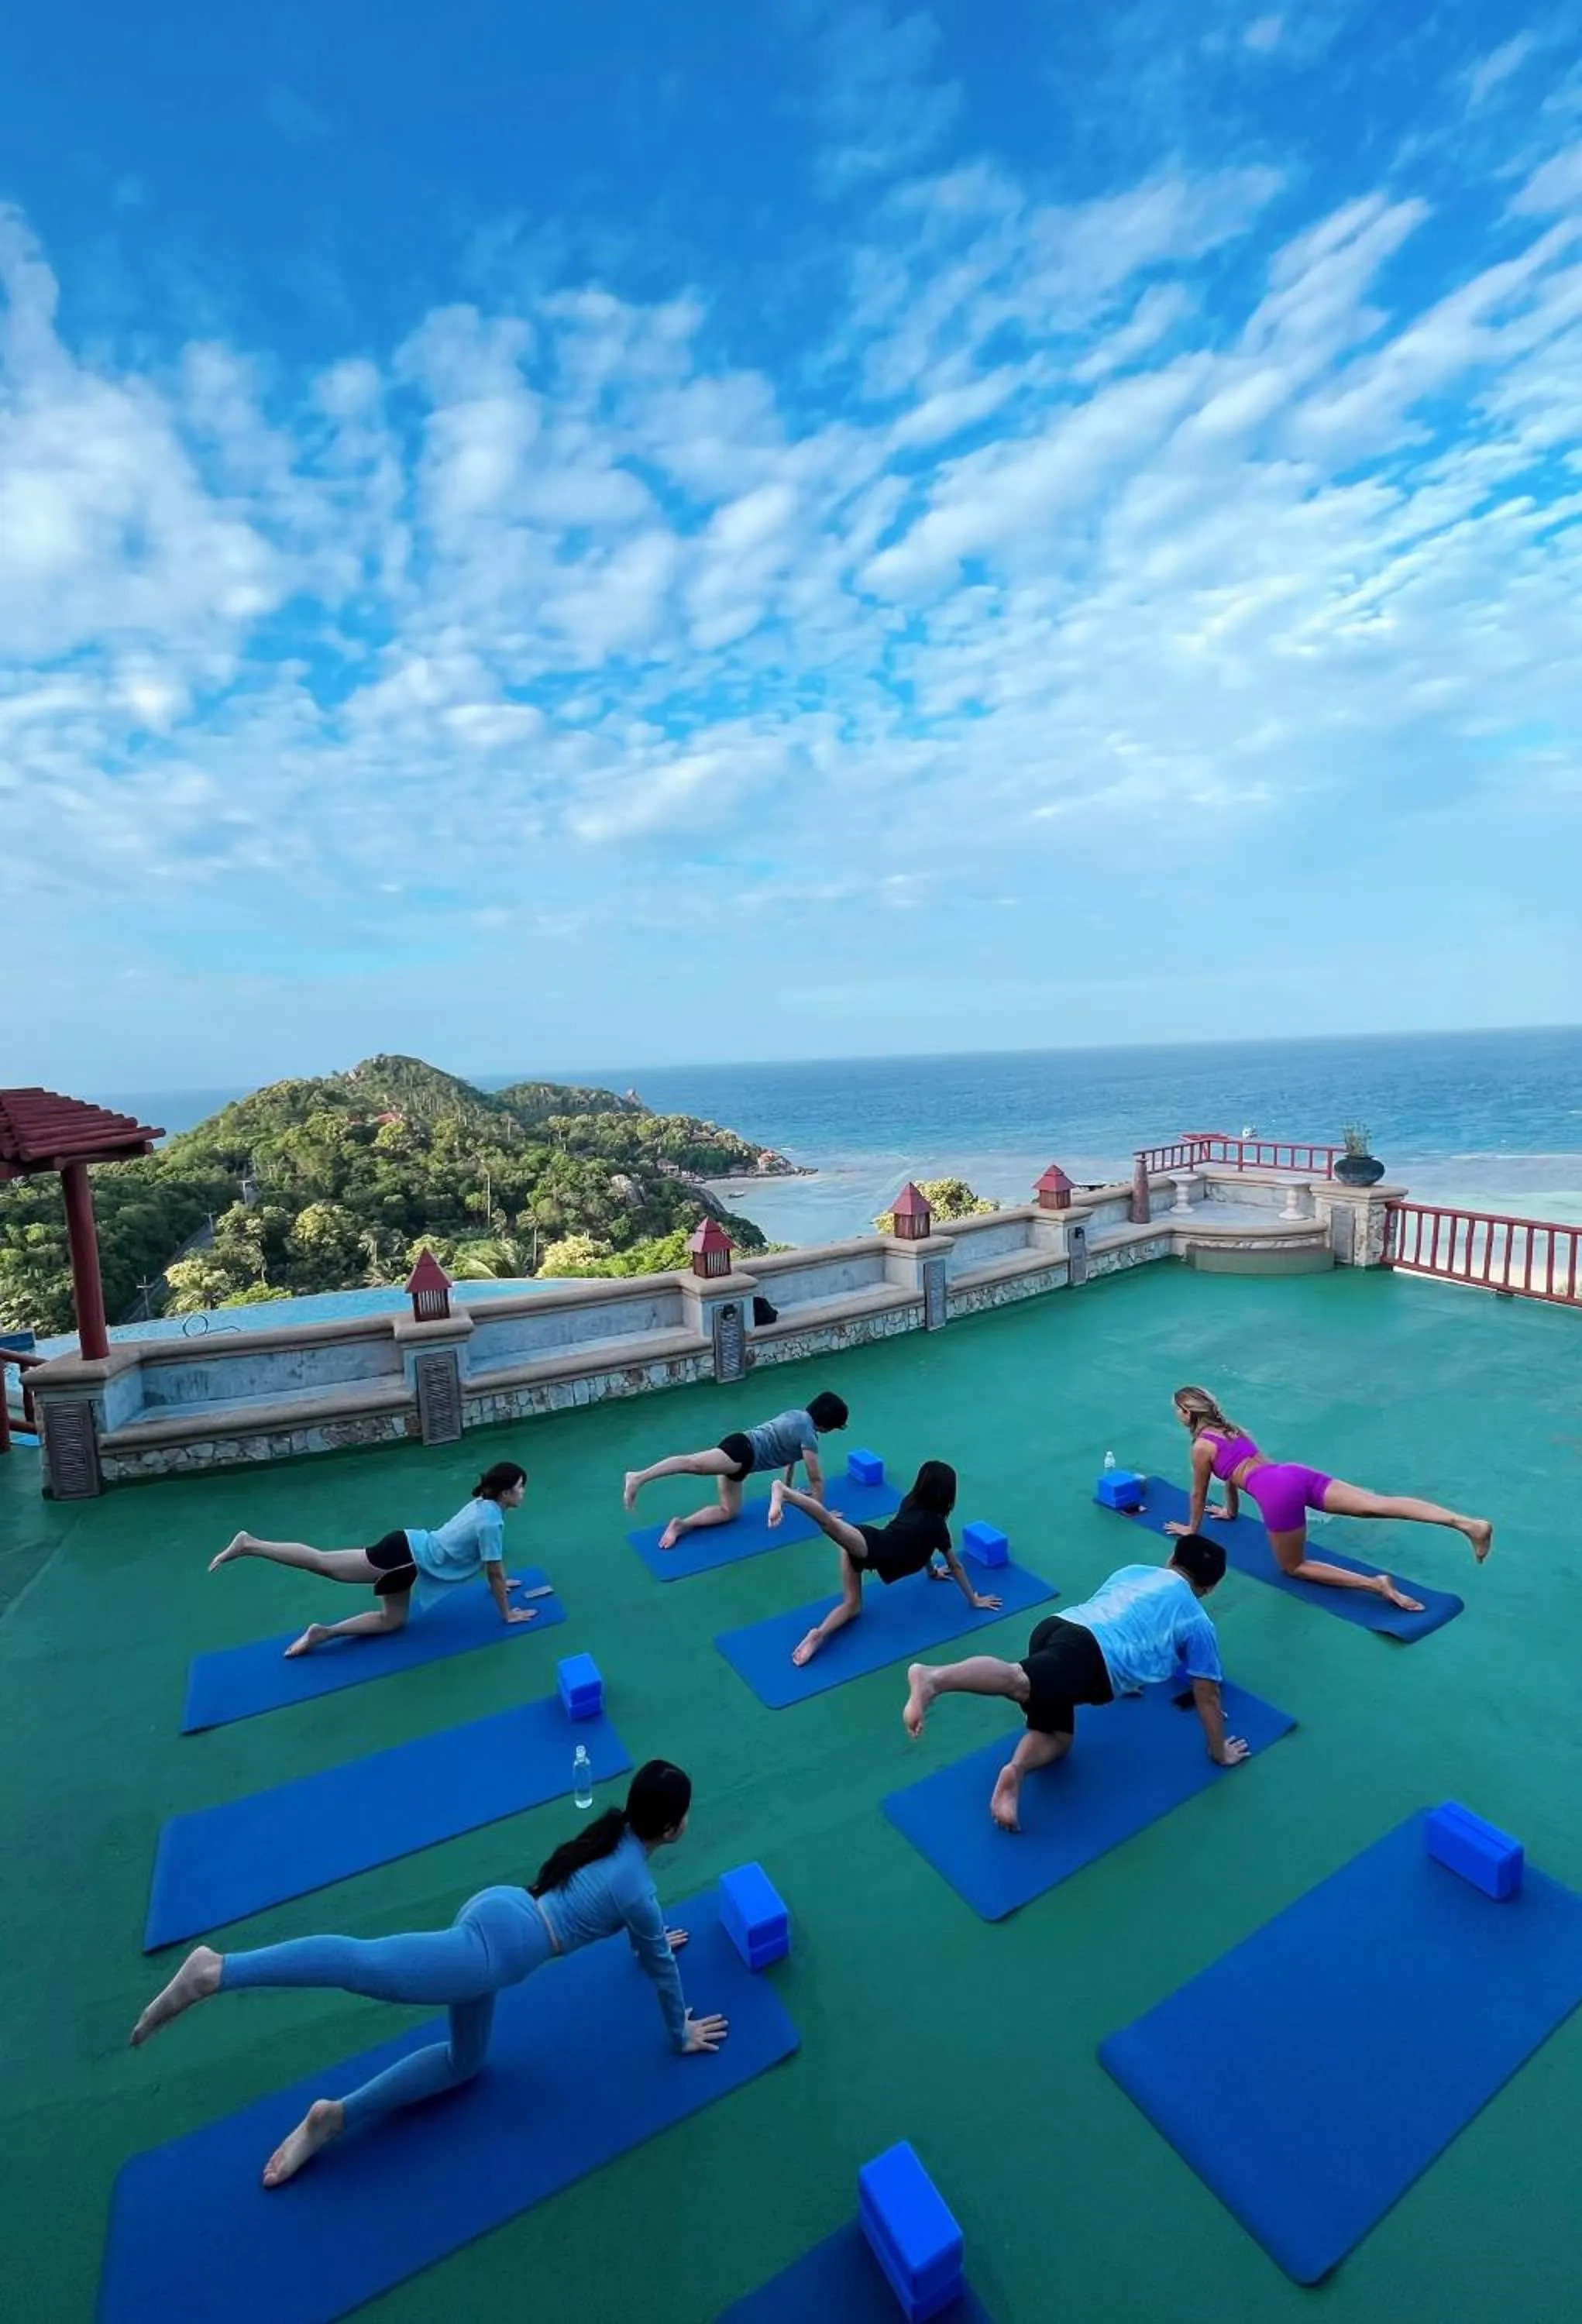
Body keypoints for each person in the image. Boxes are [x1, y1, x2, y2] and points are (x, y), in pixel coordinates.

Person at [128, 1760, 727, 2188]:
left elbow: (619, 1919)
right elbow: (661, 1970)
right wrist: (679, 2032)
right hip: (497, 1950)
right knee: (362, 1965)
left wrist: (648, 1945)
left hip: (504, 1909)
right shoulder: (640, 1892)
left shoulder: (616, 1835)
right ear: (673, 1828)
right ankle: (217, 1970)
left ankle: (333, 2116)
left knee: (464, 2063)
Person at [901, 1535, 1247, 1831]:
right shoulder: (1198, 1623)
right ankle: (934, 1678)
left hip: (1057, 1627)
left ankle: (1015, 1773)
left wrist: (1130, 1676)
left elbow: (1118, 1616)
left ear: (1171, 1559)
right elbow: (1208, 1696)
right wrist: (1219, 1752)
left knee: (1058, 1738)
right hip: (1088, 1658)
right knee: (1018, 1679)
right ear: (1210, 1588)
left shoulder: (1136, 1572)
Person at [1167, 1384, 1493, 1612]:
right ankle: (1466, 1523)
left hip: (1276, 1493)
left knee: (1293, 1566)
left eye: (1177, 1411)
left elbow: (1199, 1492)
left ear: (1186, 1412)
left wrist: (1192, 1530)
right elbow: (1240, 1471)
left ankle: (1376, 1585)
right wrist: (1231, 1511)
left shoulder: (1201, 1447)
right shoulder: (1232, 1430)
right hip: (1294, 1474)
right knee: (1375, 1504)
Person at [208, 1461, 547, 1657]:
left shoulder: (484, 1506)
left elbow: (471, 1556)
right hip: (405, 1561)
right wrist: (507, 1613)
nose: (524, 1492)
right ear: (505, 1493)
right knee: (379, 1611)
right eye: (520, 1487)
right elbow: (494, 1572)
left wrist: (499, 1585)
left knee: (325, 1562)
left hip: (405, 1544)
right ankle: (319, 1629)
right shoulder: (491, 1521)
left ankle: (252, 1545)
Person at [768, 1458, 1002, 1667]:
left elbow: (919, 1545)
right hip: (870, 1546)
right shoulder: (936, 1526)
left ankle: (818, 1634)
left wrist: (931, 1572)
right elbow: (955, 1564)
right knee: (829, 1523)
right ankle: (785, 1493)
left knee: (853, 1607)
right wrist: (974, 1599)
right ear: (947, 1496)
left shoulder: (910, 1502)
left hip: (865, 1547)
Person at [622, 1392, 849, 1551]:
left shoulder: (797, 1417)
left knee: (728, 1512)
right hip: (741, 1451)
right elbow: (816, 1480)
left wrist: (788, 1490)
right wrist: (824, 1518)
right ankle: (638, 1477)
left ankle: (680, 1526)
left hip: (742, 1462)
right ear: (828, 1424)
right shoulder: (808, 1435)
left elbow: (790, 1458)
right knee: (692, 1464)